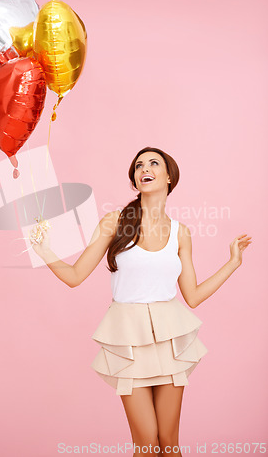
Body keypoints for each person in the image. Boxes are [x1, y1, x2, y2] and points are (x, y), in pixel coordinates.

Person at [30, 146, 252, 457]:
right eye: (138, 166)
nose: (143, 168)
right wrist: (45, 252)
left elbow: (193, 296)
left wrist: (232, 262)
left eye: (152, 163)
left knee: (169, 444)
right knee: (147, 443)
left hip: (170, 340)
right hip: (128, 339)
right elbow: (75, 276)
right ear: (135, 180)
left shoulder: (181, 233)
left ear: (169, 177)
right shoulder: (115, 221)